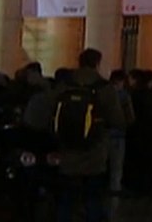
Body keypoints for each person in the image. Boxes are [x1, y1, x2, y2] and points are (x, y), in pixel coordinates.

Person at [26, 48, 124, 222]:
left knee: (66, 200)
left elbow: (48, 114)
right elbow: (118, 119)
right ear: (97, 63)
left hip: (67, 151)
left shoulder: (64, 85)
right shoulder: (104, 88)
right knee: (93, 200)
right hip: (94, 153)